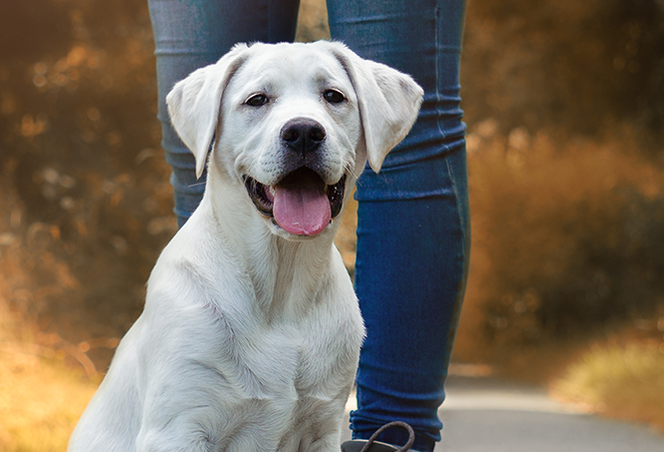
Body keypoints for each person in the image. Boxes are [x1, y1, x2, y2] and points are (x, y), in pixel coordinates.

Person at [148, 1, 470, 450]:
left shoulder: (341, 325)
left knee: (416, 152)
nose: (303, 126)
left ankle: (394, 440)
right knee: (197, 166)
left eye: (333, 98)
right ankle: (203, 393)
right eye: (259, 100)